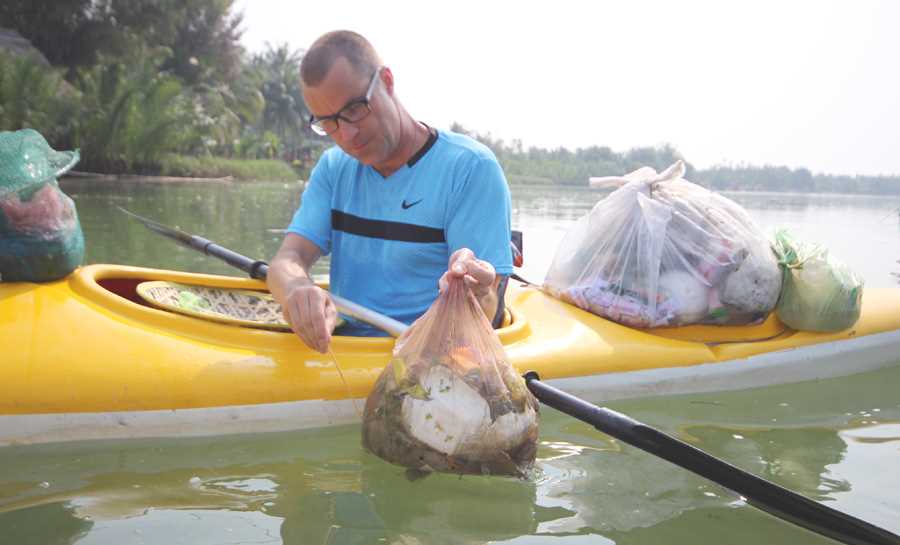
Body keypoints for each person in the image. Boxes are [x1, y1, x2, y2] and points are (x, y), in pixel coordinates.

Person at [267, 30, 513, 353]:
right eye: (329, 123)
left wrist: (479, 292)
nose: (347, 135)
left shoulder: (470, 168)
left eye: (355, 109)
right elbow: (288, 258)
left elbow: (488, 309)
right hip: (345, 348)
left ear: (386, 81)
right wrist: (296, 289)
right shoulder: (333, 168)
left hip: (431, 354)